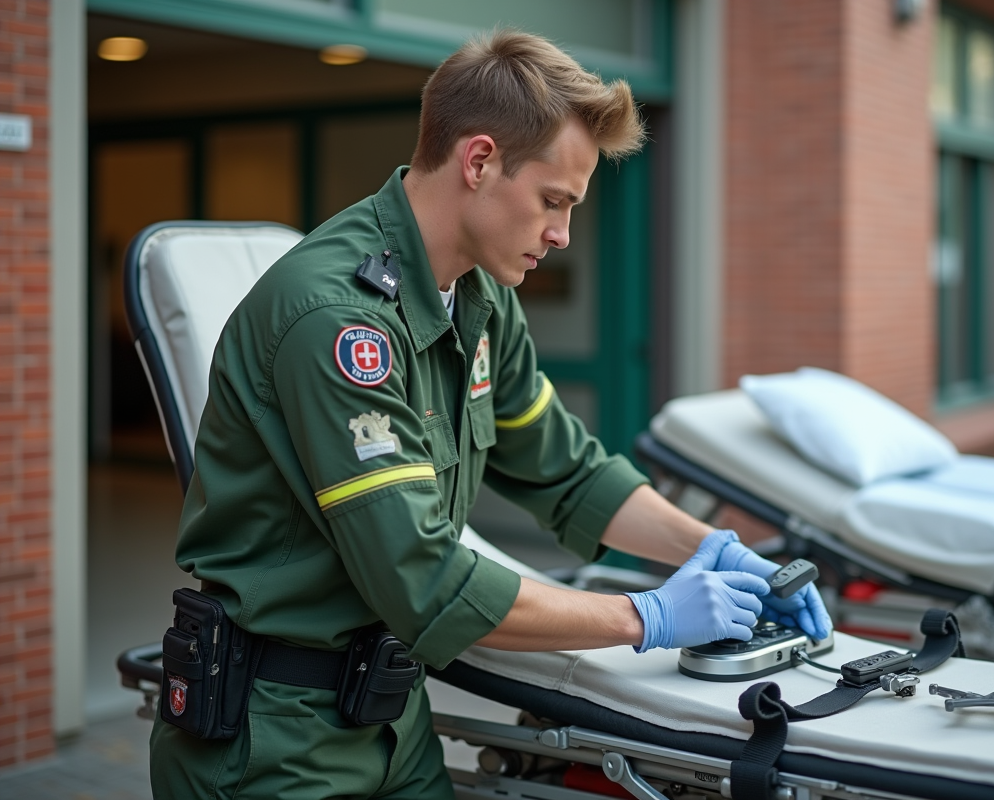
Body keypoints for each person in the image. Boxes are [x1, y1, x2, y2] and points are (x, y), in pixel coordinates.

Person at [149, 28, 830, 799]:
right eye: (552, 201)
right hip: (274, 737)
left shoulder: (480, 299)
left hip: (393, 717)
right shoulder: (337, 322)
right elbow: (427, 580)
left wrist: (711, 548)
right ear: (478, 161)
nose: (562, 235)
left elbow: (568, 472)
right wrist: (647, 616)